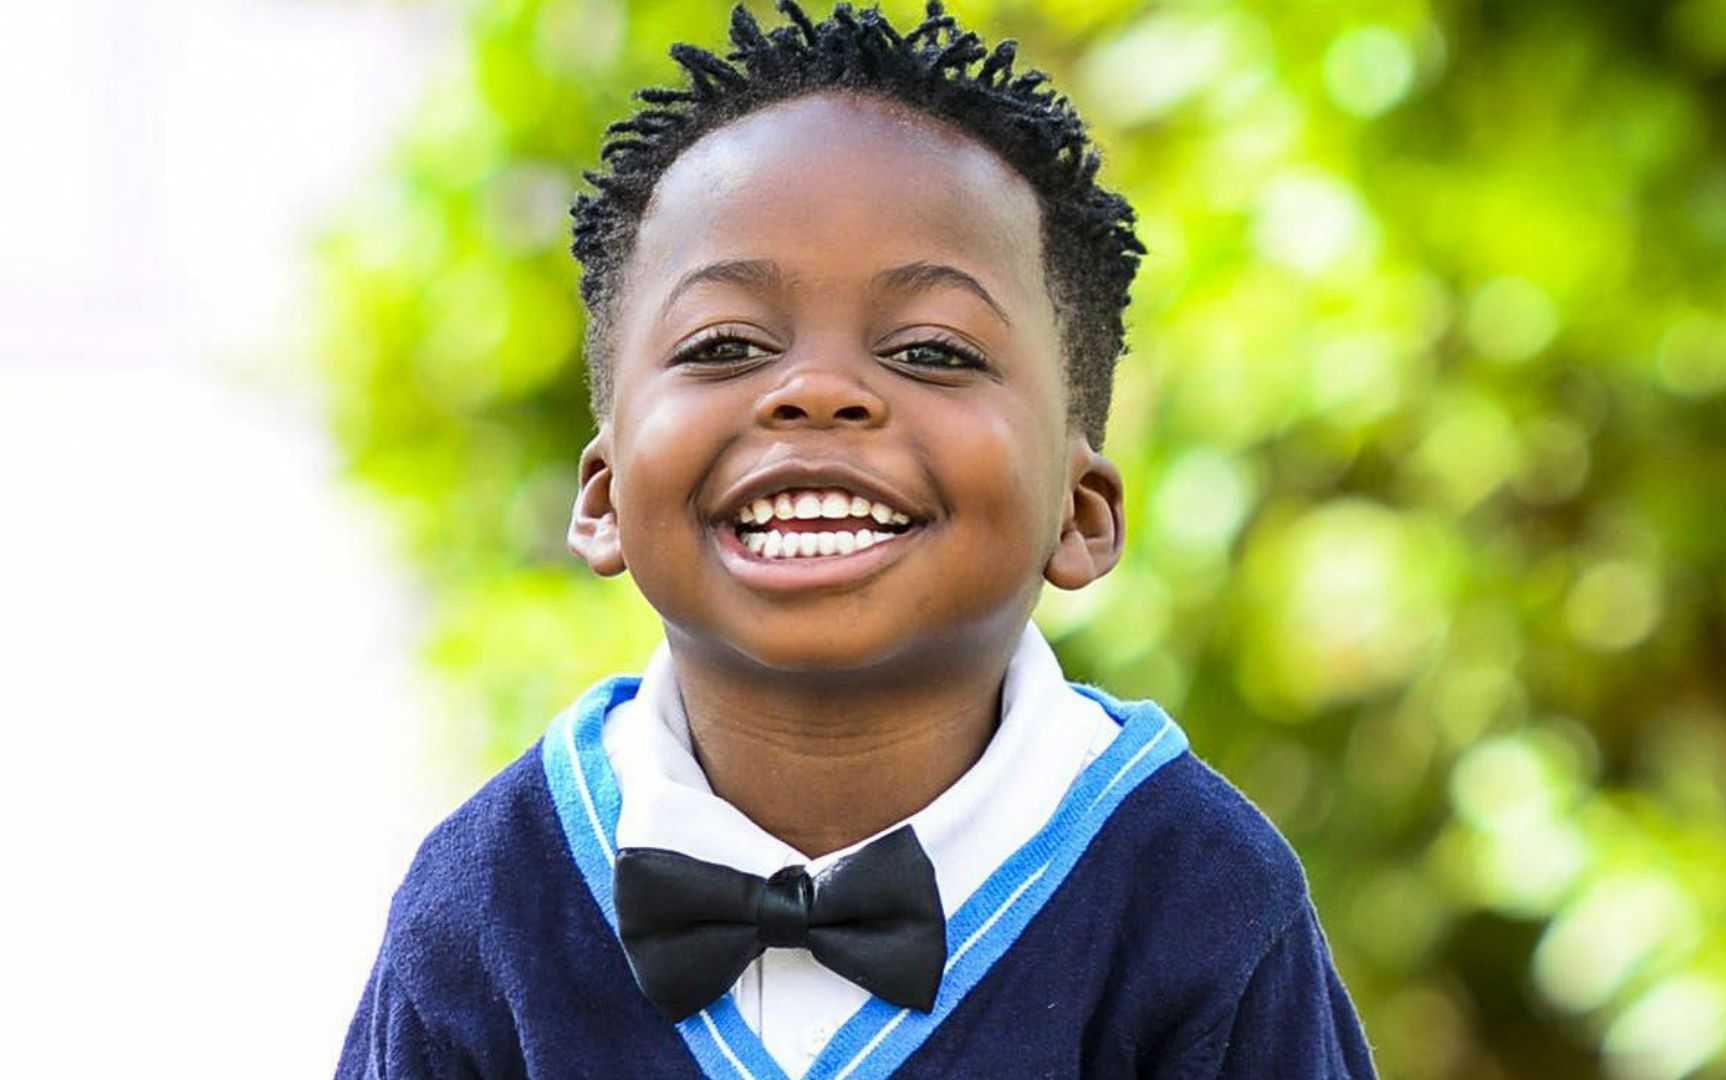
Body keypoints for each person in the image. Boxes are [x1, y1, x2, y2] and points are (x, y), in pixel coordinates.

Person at [338, 3, 1375, 1076]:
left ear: (1081, 513)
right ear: (601, 496)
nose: (819, 392)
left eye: (931, 351)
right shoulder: (491, 897)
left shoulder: (1198, 894)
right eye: (726, 342)